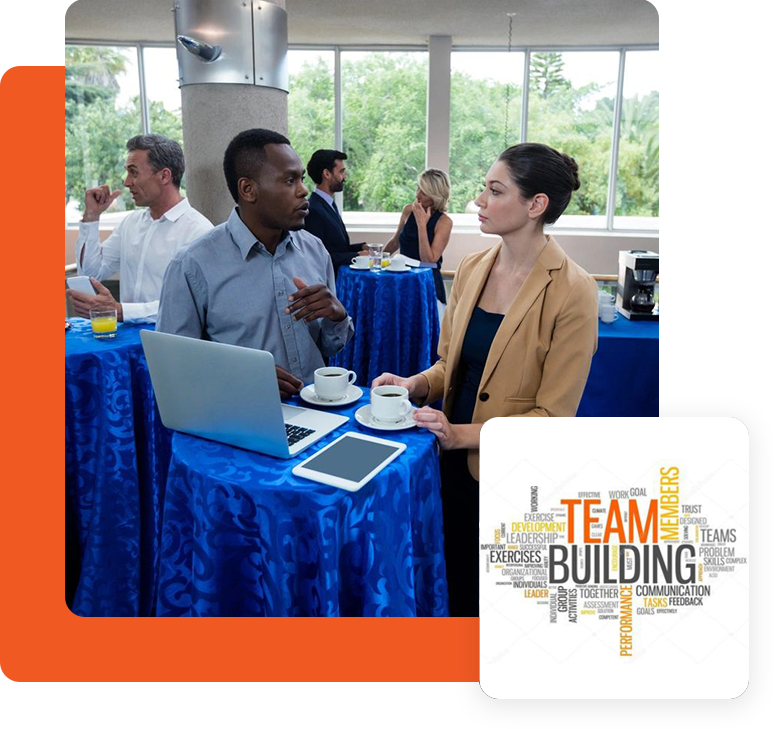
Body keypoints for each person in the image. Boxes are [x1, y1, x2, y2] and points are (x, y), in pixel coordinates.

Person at [372, 143, 599, 616]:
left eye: (495, 191)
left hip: (511, 472)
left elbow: (553, 418)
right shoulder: (473, 268)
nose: (478, 200)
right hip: (444, 460)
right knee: (449, 582)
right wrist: (413, 384)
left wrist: (459, 436)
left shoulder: (574, 290)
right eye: (484, 188)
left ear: (536, 205)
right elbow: (448, 367)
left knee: (495, 604)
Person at [156, 129, 354, 399]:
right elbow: (172, 367)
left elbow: (330, 347)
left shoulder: (315, 250)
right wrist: (244, 377)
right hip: (241, 420)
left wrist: (337, 316)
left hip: (317, 412)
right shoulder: (192, 266)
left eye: (302, 179)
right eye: (289, 180)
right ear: (248, 189)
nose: (304, 190)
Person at [67, 134, 213, 323]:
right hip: (125, 342)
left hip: (168, 343)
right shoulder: (130, 223)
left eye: (134, 172)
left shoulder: (199, 232)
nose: (127, 182)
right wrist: (91, 218)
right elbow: (91, 273)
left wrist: (121, 311)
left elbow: (190, 305)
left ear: (164, 176)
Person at [381, 169, 453, 316]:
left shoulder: (444, 222)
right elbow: (396, 241)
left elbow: (428, 259)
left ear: (436, 196)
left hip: (426, 282)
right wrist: (377, 258)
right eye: (418, 188)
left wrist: (422, 225)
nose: (417, 194)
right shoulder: (408, 210)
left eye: (424, 192)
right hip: (402, 278)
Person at [303, 149, 359, 276]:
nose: (344, 177)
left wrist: (361, 247)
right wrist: (357, 256)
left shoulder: (329, 204)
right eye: (341, 172)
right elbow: (319, 257)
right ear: (327, 174)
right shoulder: (313, 210)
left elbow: (337, 247)